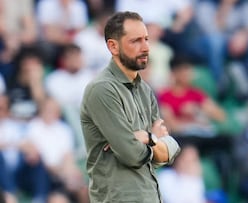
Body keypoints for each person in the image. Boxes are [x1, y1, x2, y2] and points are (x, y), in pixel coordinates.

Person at [80, 11, 180, 202]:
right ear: (113, 46)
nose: (145, 48)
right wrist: (154, 138)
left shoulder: (145, 90)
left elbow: (169, 152)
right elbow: (132, 155)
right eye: (135, 41)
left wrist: (147, 139)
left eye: (146, 39)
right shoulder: (102, 90)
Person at [157, 55, 226, 136]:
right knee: (190, 148)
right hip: (182, 137)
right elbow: (172, 125)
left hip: (201, 134)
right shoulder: (165, 96)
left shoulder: (196, 94)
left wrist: (198, 110)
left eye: (189, 70)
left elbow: (221, 116)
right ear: (175, 73)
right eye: (185, 70)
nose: (188, 73)